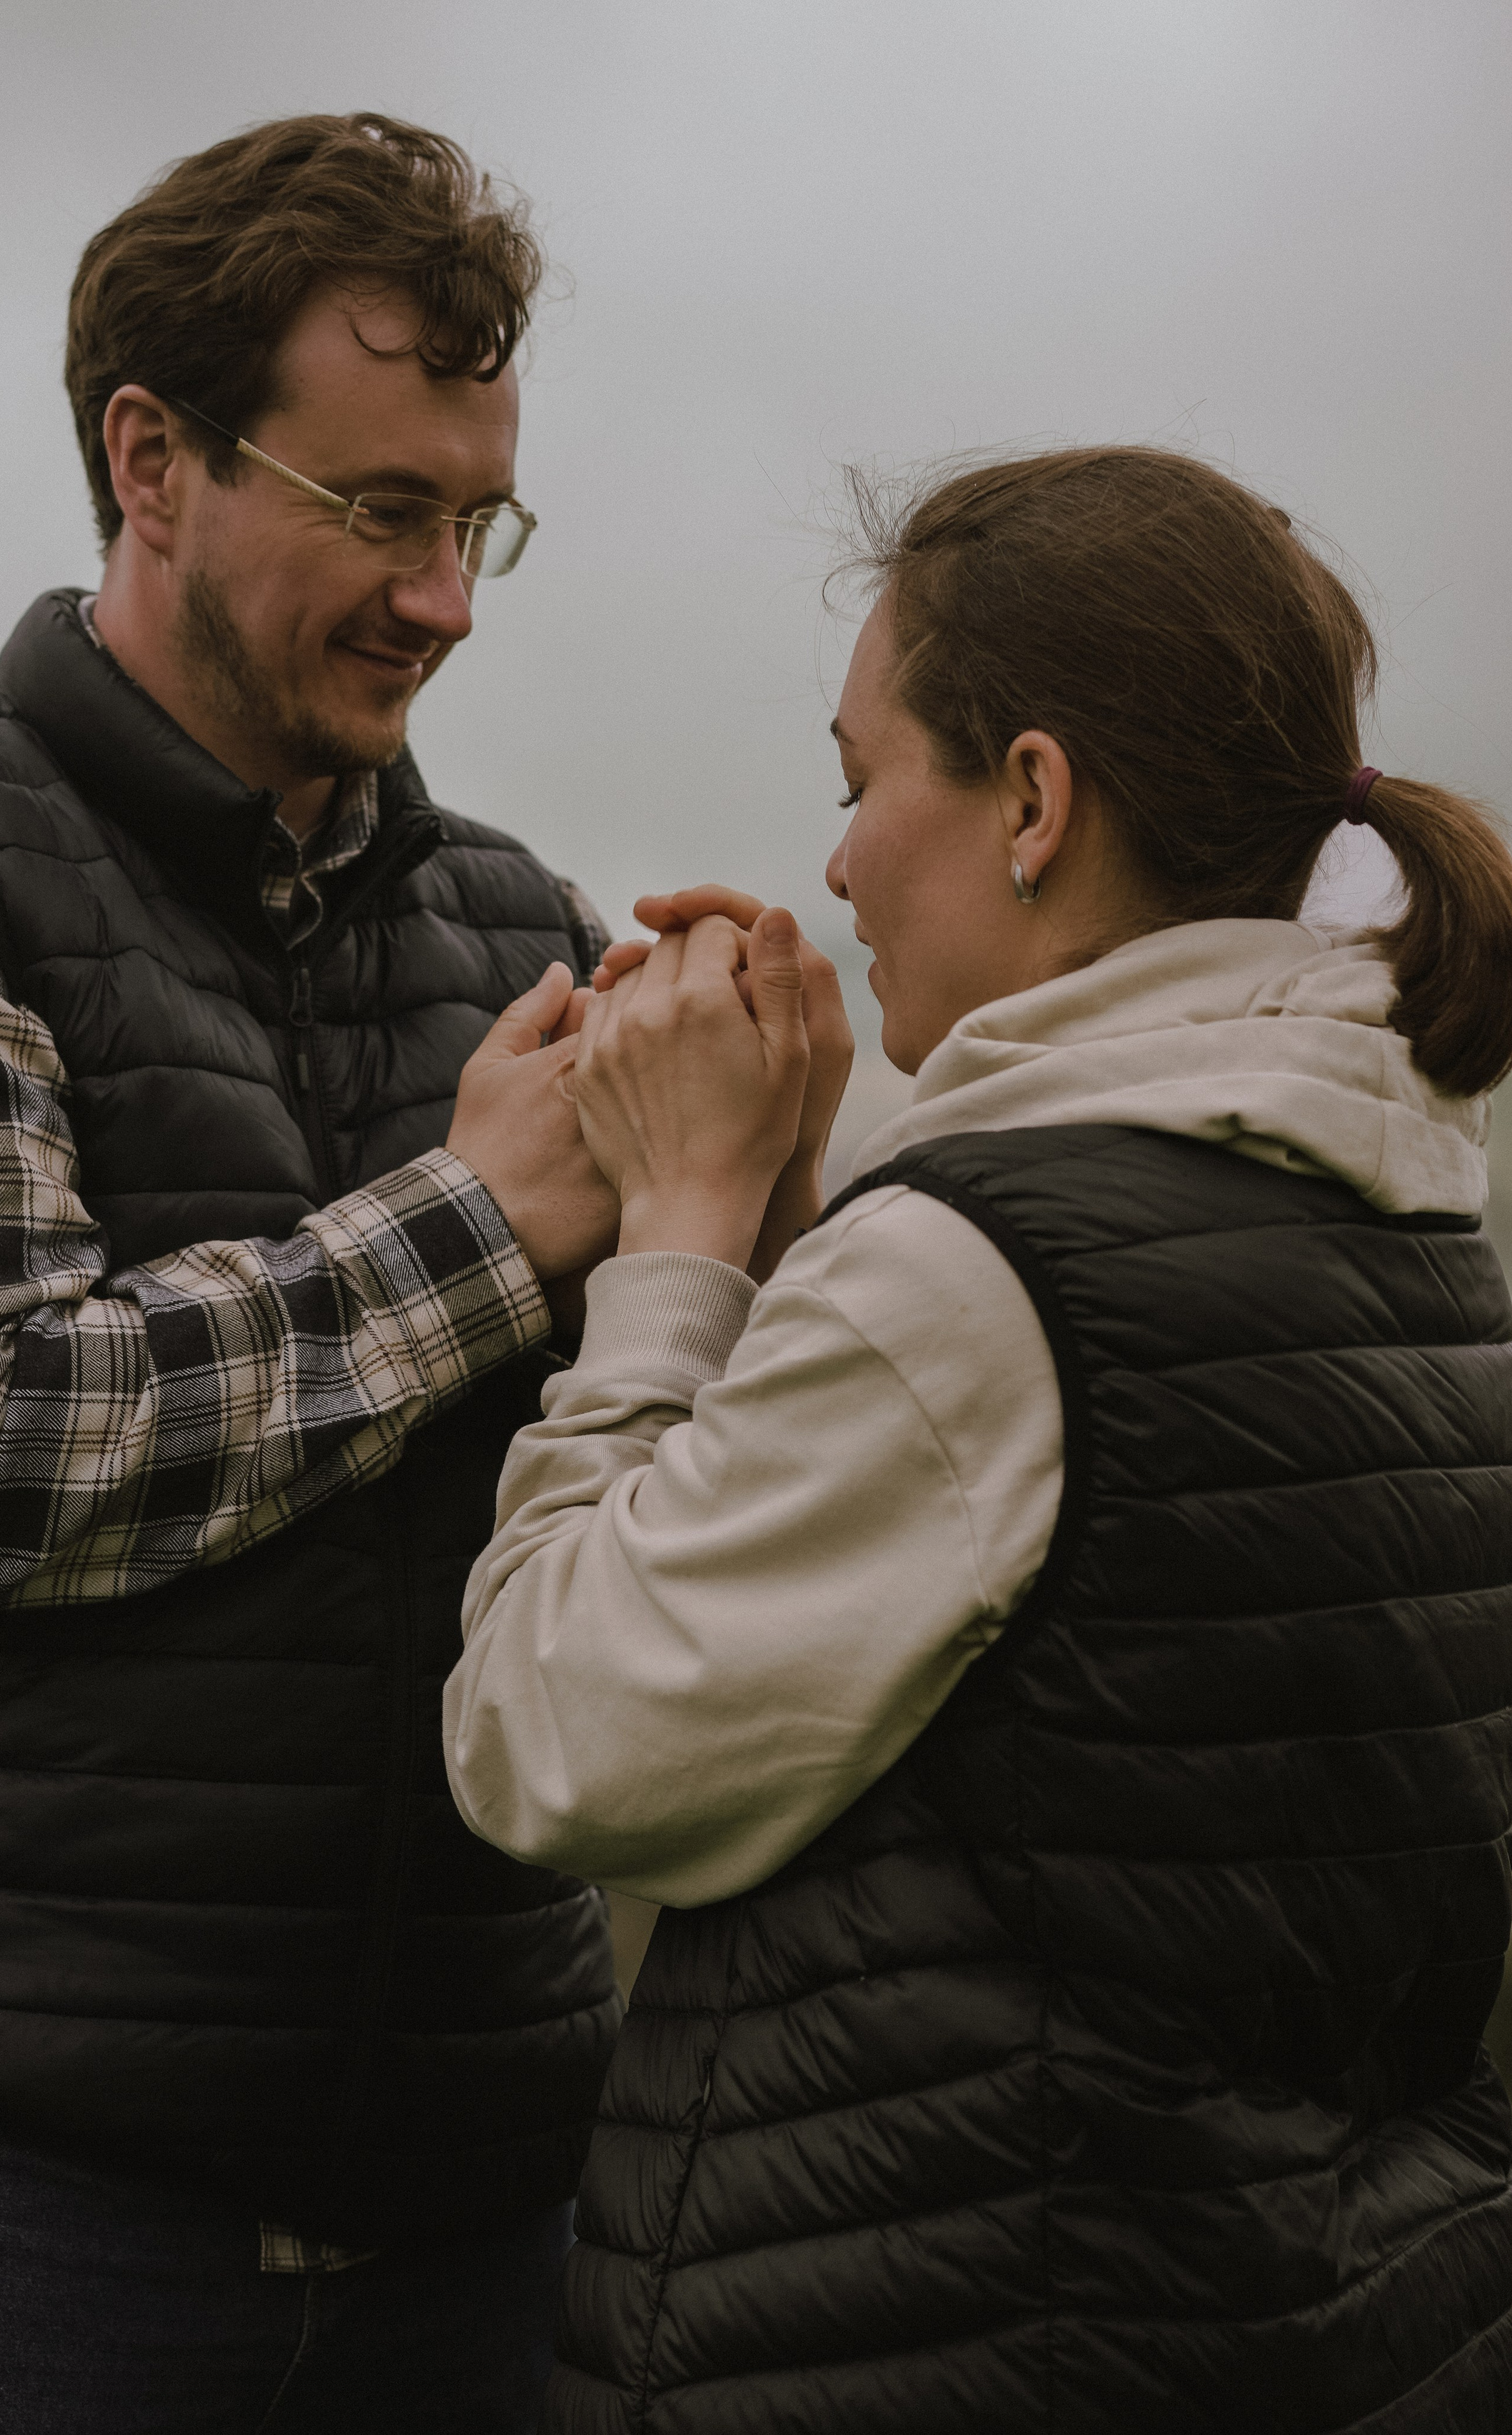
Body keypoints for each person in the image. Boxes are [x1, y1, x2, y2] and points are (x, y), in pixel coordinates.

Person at [0, 114, 625, 2434]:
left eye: (477, 519)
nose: (449, 599)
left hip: (493, 2218)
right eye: (382, 511)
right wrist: (489, 1227)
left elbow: (634, 1517)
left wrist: (751, 1219)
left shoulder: (531, 934)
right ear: (153, 456)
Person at [445, 446, 1512, 2430]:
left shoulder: (976, 1277)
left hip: (951, 2334)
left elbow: (552, 1730)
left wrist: (678, 1232)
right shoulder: (1403, 1205)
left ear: (1031, 797)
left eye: (862, 782)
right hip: (1314, 2325)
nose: (837, 864)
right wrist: (801, 1209)